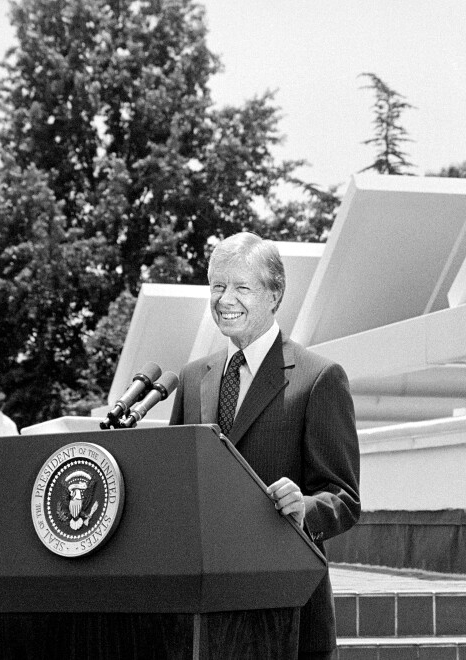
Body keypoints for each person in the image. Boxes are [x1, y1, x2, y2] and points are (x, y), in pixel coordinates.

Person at [169, 232, 360, 659]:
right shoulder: (192, 378)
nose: (225, 299)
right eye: (217, 286)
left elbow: (344, 499)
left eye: (241, 287)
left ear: (275, 295)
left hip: (287, 615)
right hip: (201, 616)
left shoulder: (318, 378)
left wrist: (304, 507)